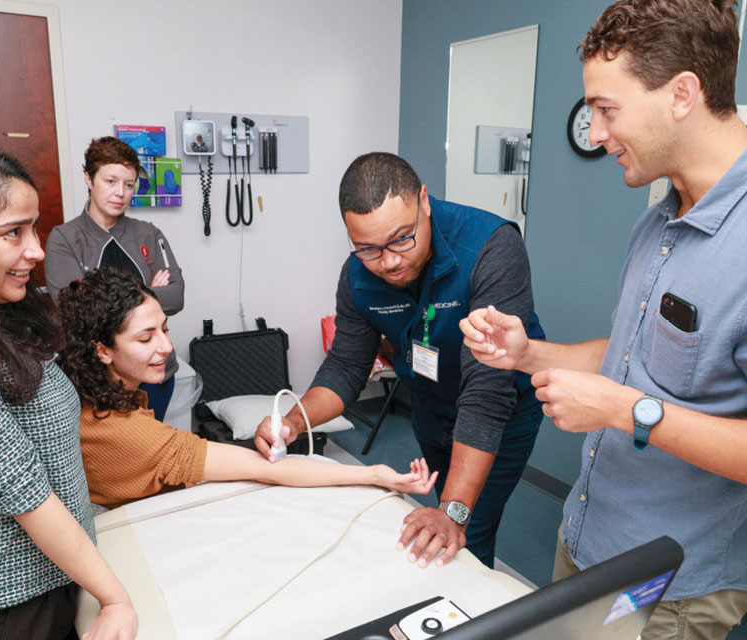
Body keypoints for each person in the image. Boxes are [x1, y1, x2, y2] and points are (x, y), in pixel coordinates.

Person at [461, 1, 747, 637]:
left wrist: (625, 410)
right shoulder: (661, 217)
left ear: (682, 93)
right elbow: (631, 357)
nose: (594, 134)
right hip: (589, 538)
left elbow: (630, 394)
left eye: (607, 109)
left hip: (667, 582)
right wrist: (526, 353)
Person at [255, 152, 545, 569]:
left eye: (401, 239)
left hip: (501, 412)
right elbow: (346, 368)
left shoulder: (489, 247)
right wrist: (294, 421)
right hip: (432, 407)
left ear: (424, 201)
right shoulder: (357, 275)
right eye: (368, 248)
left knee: (466, 531)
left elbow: (486, 394)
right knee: (439, 518)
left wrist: (453, 513)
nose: (388, 261)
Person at [0, 138, 137, 638]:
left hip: (57, 575)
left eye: (32, 227)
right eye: (13, 233)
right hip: (2, 606)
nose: (34, 248)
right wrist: (115, 599)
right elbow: (23, 489)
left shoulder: (3, 311)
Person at [57, 267, 438, 510]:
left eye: (165, 330)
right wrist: (373, 476)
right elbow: (268, 470)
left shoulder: (88, 395)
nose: (166, 347)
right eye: (145, 338)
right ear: (102, 350)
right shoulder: (130, 433)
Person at [45, 136, 184, 421]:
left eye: (129, 184)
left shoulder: (148, 233)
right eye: (110, 181)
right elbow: (75, 312)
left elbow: (177, 295)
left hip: (154, 375)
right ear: (89, 178)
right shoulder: (65, 238)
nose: (120, 192)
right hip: (97, 381)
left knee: (150, 454)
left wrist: (104, 300)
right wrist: (148, 293)